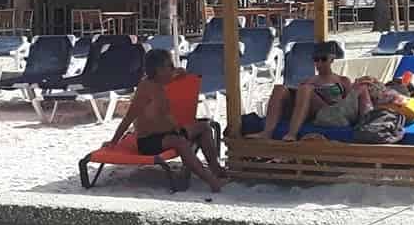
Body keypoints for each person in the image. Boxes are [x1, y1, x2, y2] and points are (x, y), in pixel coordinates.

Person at [107, 49, 227, 193]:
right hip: (149, 141)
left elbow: (179, 72)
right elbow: (129, 117)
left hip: (170, 131)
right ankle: (211, 181)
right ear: (158, 70)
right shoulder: (146, 89)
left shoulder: (165, 78)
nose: (172, 68)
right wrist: (114, 141)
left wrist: (179, 71)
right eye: (169, 66)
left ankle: (215, 168)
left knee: (204, 127)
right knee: (181, 142)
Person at [247, 42, 351, 141]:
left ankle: (292, 133)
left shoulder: (342, 80)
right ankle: (266, 132)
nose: (319, 63)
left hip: (332, 113)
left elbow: (350, 104)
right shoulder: (309, 81)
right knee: (280, 88)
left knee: (306, 88)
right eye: (316, 60)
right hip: (311, 113)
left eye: (323, 59)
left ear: (332, 59)